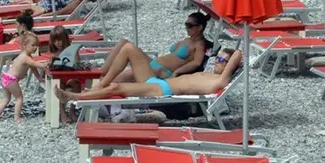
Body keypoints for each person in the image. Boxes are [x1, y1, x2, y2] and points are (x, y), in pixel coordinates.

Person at [56, 49, 242, 103]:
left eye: (222, 60)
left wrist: (242, 43)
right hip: (159, 82)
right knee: (128, 48)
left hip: (162, 89)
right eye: (217, 57)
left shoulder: (219, 80)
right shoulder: (208, 73)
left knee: (117, 88)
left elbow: (239, 54)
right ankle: (98, 87)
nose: (217, 61)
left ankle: (74, 97)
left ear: (230, 67)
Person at [95, 13, 212, 88]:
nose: (187, 28)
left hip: (162, 72)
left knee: (129, 59)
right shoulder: (188, 39)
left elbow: (196, 63)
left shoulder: (199, 44)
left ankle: (102, 85)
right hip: (153, 64)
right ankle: (101, 74)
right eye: (186, 24)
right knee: (123, 42)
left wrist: (177, 72)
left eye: (190, 25)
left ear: (200, 27)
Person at [0, 32, 47, 123]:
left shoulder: (25, 56)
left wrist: (39, 77)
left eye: (36, 46)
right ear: (25, 45)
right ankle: (17, 117)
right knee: (19, 98)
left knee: (6, 98)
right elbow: (35, 64)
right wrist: (44, 65)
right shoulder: (25, 57)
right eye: (33, 45)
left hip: (5, 78)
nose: (35, 48)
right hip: (11, 80)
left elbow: (32, 67)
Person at [47, 26, 82, 123]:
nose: (57, 43)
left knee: (76, 84)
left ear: (65, 39)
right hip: (60, 79)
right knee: (59, 86)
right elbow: (51, 70)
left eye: (60, 40)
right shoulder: (54, 54)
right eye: (55, 41)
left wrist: (74, 59)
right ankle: (62, 112)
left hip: (71, 77)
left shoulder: (72, 51)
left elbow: (78, 64)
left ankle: (72, 110)